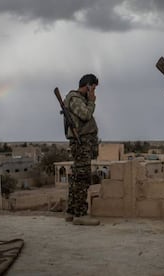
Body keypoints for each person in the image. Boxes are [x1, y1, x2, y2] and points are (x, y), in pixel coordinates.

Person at [63, 74, 100, 226]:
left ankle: (71, 211)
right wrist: (91, 101)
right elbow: (85, 115)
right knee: (82, 178)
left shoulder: (79, 99)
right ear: (88, 85)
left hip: (84, 142)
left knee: (78, 177)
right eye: (93, 88)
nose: (94, 92)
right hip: (81, 143)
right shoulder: (75, 99)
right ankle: (80, 214)